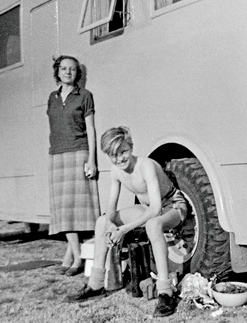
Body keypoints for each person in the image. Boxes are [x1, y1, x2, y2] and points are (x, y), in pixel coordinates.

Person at [68, 126, 188, 318]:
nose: (119, 159)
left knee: (153, 225)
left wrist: (123, 230)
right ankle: (96, 285)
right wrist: (110, 227)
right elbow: (111, 207)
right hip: (148, 209)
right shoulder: (116, 172)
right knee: (101, 222)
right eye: (113, 155)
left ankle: (166, 292)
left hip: (173, 206)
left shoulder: (146, 166)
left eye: (123, 152)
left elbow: (156, 209)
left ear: (131, 147)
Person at [47, 55, 100, 277]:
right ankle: (71, 255)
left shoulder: (85, 96)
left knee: (75, 209)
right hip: (57, 155)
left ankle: (76, 258)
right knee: (64, 209)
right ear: (57, 72)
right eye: (64, 68)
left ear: (77, 74)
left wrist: (92, 160)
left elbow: (91, 130)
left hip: (79, 153)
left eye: (72, 69)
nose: (68, 72)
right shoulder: (52, 97)